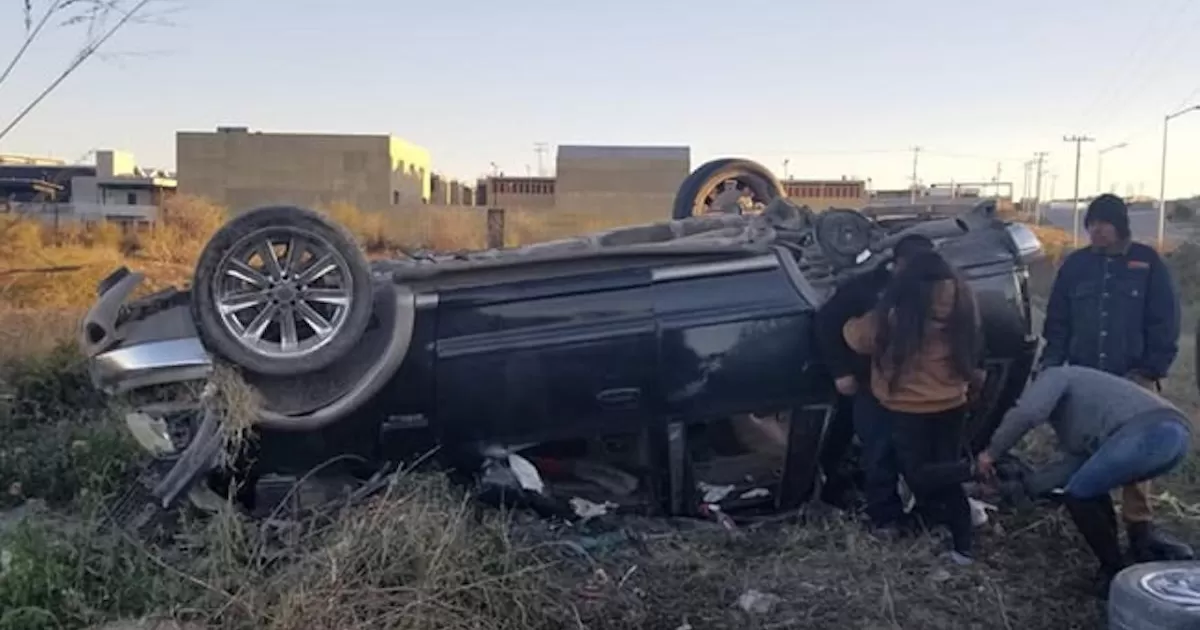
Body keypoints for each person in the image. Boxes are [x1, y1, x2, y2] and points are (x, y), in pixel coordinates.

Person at [1039, 193, 1186, 562]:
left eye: (1103, 223)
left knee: (1136, 459)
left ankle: (1140, 532)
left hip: (1134, 377)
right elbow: (1058, 323)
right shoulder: (1075, 267)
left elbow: (1164, 320)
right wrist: (1051, 368)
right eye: (1091, 224)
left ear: (1120, 225)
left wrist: (1152, 368)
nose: (1096, 231)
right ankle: (1101, 530)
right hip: (1086, 380)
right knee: (1086, 453)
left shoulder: (1146, 262)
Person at [975, 365, 1192, 594]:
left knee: (1080, 495)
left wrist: (991, 454)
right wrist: (1023, 487)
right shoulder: (1089, 413)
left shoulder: (1056, 375)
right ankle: (1131, 558)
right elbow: (1074, 467)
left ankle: (1113, 571)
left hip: (1153, 431)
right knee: (1088, 488)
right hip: (1175, 439)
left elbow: (1027, 414)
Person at [843, 250, 986, 564]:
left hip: (909, 408)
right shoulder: (964, 301)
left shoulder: (899, 310)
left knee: (918, 474)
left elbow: (858, 338)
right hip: (952, 402)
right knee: (942, 470)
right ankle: (959, 541)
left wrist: (851, 321)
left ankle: (969, 473)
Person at [814, 234, 935, 530]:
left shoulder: (937, 287)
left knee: (919, 451)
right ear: (899, 263)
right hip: (871, 385)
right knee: (879, 451)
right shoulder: (866, 288)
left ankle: (926, 511)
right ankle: (885, 517)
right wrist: (840, 371)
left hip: (918, 386)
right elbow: (827, 323)